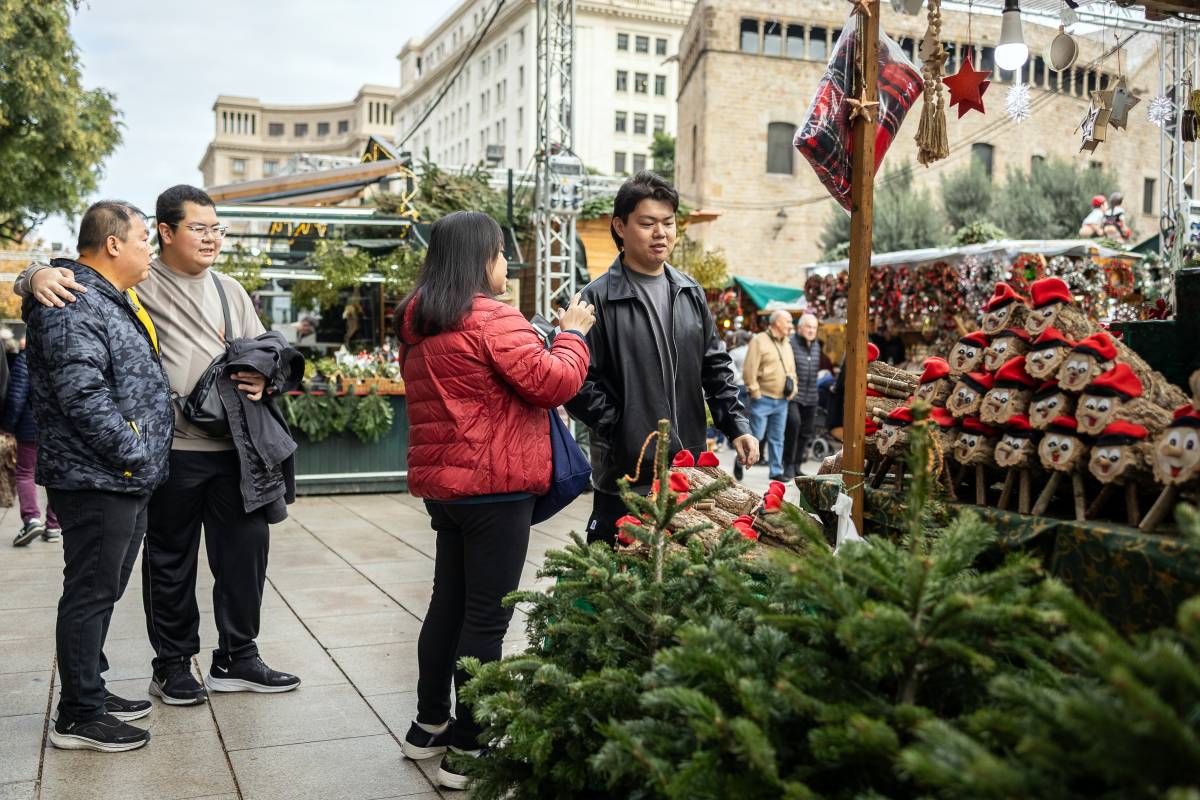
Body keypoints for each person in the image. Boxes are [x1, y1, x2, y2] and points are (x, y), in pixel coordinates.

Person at [20, 185, 300, 707]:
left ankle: (238, 655)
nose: (212, 238)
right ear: (166, 232)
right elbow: (72, 278)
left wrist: (268, 380)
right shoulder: (135, 282)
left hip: (237, 451)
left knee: (245, 556)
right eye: (200, 227)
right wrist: (33, 274)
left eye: (218, 228)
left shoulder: (230, 290)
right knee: (169, 562)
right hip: (167, 452)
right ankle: (172, 665)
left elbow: (267, 351)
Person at [395, 211, 593, 790]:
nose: (507, 265)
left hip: (447, 487)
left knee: (448, 605)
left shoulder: (418, 320)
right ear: (482, 258)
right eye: (502, 253)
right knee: (486, 615)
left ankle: (427, 725)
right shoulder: (492, 318)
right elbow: (554, 382)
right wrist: (573, 334)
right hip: (496, 484)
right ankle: (470, 746)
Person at [25, 201, 174, 752]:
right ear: (113, 243)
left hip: (122, 475)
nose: (149, 250)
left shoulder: (108, 297)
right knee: (90, 591)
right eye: (143, 239)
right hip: (99, 475)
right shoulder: (72, 300)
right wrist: (133, 451)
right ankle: (79, 715)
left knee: (103, 589)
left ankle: (90, 685)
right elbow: (83, 396)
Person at [564, 171, 756, 544]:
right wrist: (621, 427)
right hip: (626, 477)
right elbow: (575, 381)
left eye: (668, 223)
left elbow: (715, 366)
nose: (661, 233)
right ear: (620, 226)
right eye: (648, 223)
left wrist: (737, 426)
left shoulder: (689, 291)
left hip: (689, 473)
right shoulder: (595, 299)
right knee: (617, 584)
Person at [3, 347, 61, 546]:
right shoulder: (65, 353)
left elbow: (17, 396)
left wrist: (7, 426)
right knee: (56, 474)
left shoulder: (27, 357)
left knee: (25, 472)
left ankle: (31, 520)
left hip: (31, 425)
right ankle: (53, 525)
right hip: (58, 429)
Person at [744, 310, 797, 481]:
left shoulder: (787, 343)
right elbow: (749, 369)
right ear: (777, 322)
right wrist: (755, 392)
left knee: (777, 437)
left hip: (782, 400)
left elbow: (792, 371)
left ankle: (775, 471)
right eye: (788, 321)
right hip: (763, 398)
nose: (790, 325)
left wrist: (793, 389)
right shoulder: (759, 340)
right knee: (756, 436)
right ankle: (741, 459)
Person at [785, 313, 822, 480]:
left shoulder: (816, 346)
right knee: (794, 427)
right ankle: (788, 465)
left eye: (814, 328)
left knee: (806, 432)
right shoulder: (791, 343)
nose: (811, 330)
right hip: (795, 395)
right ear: (800, 328)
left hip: (812, 395)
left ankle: (798, 465)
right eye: (808, 327)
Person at [727, 330, 753, 480]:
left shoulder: (735, 352)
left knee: (738, 418)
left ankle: (738, 452)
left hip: (739, 388)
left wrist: (738, 380)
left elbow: (730, 372)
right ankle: (744, 451)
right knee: (748, 421)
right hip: (752, 389)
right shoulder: (751, 350)